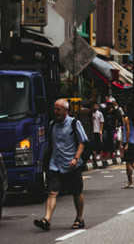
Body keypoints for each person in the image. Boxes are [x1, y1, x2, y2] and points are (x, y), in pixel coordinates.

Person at [34, 99, 89, 231]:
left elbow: (83, 142)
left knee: (76, 192)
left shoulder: (74, 123)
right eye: (54, 108)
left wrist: (76, 158)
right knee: (52, 192)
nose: (55, 111)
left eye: (58, 109)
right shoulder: (52, 124)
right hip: (56, 164)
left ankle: (79, 218)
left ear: (65, 110)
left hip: (71, 165)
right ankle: (46, 220)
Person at [91, 102, 104, 168]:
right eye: (94, 106)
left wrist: (100, 130)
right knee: (92, 143)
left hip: (97, 130)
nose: (95, 107)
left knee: (98, 142)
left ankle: (98, 153)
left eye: (96, 106)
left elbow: (101, 122)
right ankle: (92, 154)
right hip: (91, 130)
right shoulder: (90, 113)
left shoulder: (99, 113)